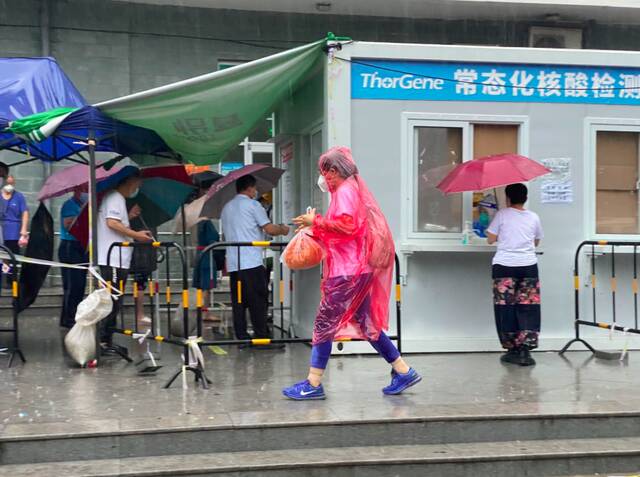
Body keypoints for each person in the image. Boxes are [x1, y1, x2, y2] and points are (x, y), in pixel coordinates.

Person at [282, 146, 420, 400]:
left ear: (334, 170)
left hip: (348, 271)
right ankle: (403, 370)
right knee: (367, 323)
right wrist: (319, 223)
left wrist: (317, 223)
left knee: (324, 324)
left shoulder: (345, 191)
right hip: (358, 269)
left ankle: (313, 383)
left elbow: (347, 226)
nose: (323, 179)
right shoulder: (352, 190)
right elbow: (349, 228)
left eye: (324, 172)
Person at [220, 175, 289, 342]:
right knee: (258, 300)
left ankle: (242, 336)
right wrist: (282, 229)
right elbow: (270, 229)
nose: (256, 191)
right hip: (251, 262)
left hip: (234, 264)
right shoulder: (253, 205)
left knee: (239, 302)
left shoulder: (227, 207)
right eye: (255, 188)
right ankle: (261, 337)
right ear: (250, 188)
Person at [486, 183, 543, 367]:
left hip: (505, 266)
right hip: (528, 266)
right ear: (525, 198)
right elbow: (536, 241)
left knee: (506, 308)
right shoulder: (533, 217)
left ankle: (511, 349)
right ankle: (525, 350)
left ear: (508, 198)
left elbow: (490, 239)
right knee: (528, 307)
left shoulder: (502, 214)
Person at [97, 168, 152, 347]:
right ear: (130, 181)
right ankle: (104, 340)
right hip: (113, 259)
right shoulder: (115, 198)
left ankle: (107, 338)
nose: (138, 186)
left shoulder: (116, 199)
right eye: (138, 183)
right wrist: (136, 235)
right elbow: (111, 223)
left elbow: (117, 222)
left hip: (117, 259)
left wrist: (128, 217)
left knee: (115, 300)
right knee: (112, 300)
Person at [58, 186, 88, 328]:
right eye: (83, 190)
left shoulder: (85, 205)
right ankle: (69, 318)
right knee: (72, 284)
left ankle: (73, 315)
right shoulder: (69, 205)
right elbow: (68, 225)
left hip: (82, 246)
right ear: (76, 190)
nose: (86, 193)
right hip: (70, 246)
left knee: (80, 284)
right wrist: (82, 215)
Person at [129, 218, 158, 330]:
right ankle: (139, 315)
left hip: (144, 252)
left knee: (140, 283)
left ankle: (140, 314)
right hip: (140, 253)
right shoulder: (140, 218)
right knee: (139, 283)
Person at [1, 175, 29, 254]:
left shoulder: (18, 196)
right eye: (7, 183)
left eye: (11, 183)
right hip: (1, 229)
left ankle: (11, 266)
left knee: (11, 254)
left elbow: (25, 212)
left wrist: (24, 229)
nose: (9, 185)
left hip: (13, 232)